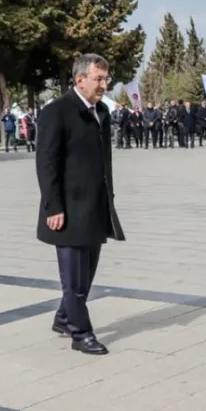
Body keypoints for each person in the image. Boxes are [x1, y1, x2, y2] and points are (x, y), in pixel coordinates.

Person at [35, 53, 125, 356]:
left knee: (86, 275)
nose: (104, 84)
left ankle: (63, 317)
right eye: (98, 79)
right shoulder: (57, 112)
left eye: (105, 78)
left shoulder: (101, 112)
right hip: (68, 211)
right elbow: (46, 164)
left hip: (95, 208)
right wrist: (53, 206)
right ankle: (80, 333)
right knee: (73, 280)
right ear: (79, 79)